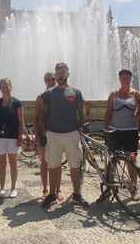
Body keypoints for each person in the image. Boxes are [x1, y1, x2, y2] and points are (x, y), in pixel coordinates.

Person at [40, 63, 88, 208]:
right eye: (58, 72)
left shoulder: (75, 92)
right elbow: (43, 113)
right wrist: (45, 132)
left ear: (68, 74)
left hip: (72, 132)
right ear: (55, 75)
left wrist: (79, 129)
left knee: (75, 165)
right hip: (53, 134)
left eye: (63, 72)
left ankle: (77, 195)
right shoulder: (49, 93)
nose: (60, 74)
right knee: (53, 165)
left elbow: (82, 111)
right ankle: (52, 195)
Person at [0, 78, 24, 198]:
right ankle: (2, 188)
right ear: (0, 88)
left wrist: (20, 137)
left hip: (13, 136)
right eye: (3, 87)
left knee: (13, 163)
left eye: (7, 86)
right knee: (2, 163)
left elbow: (21, 121)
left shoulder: (17, 103)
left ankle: (13, 188)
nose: (5, 89)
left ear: (11, 87)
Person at [34, 71, 63, 201]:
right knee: (45, 162)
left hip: (57, 132)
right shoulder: (41, 97)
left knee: (58, 163)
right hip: (44, 133)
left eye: (53, 79)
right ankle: (45, 190)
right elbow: (36, 117)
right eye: (48, 79)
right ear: (45, 81)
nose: (51, 81)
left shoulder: (61, 94)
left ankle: (58, 189)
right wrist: (37, 135)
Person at [104, 69, 140, 155]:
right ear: (119, 79)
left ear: (131, 79)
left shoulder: (135, 94)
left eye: (127, 78)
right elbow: (108, 112)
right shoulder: (113, 94)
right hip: (114, 131)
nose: (125, 80)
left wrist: (135, 116)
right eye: (123, 78)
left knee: (131, 159)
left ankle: (132, 169)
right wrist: (106, 131)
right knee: (113, 158)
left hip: (131, 131)